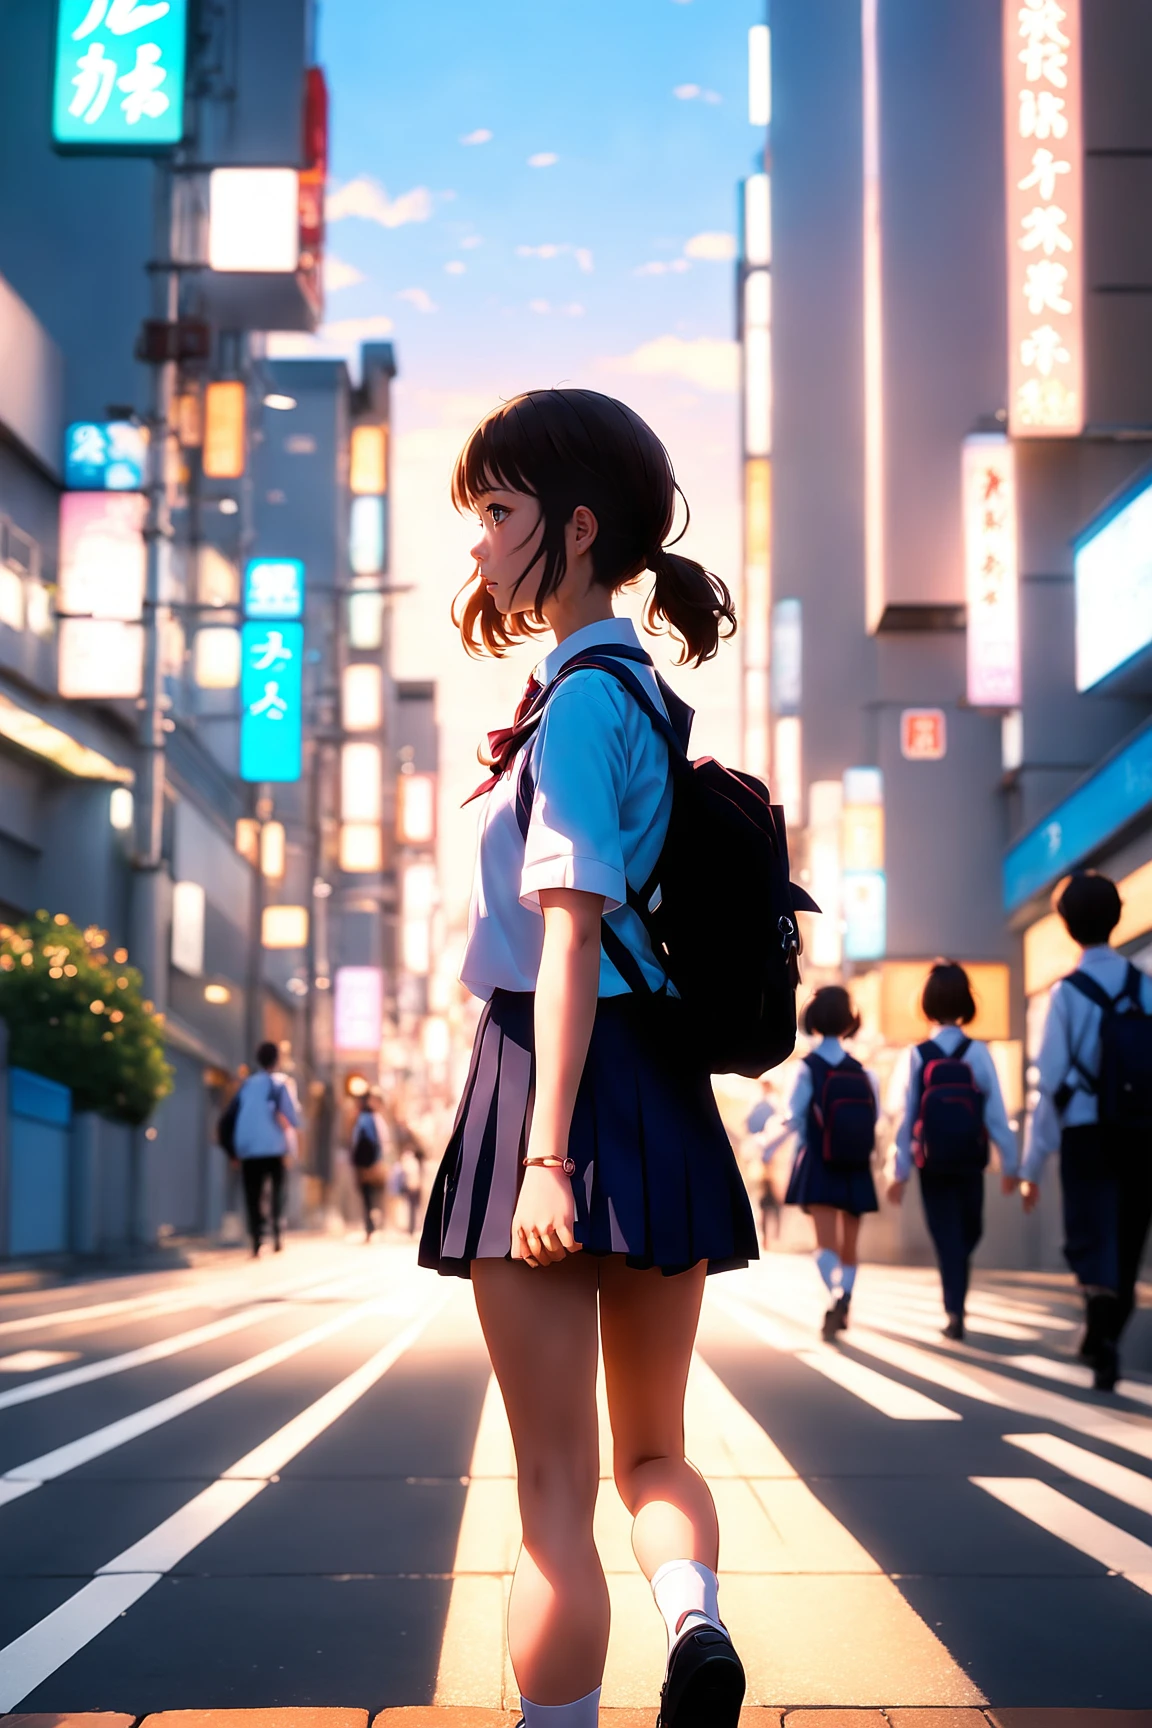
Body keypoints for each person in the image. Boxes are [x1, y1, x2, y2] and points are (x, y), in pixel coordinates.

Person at [418, 389, 757, 1728]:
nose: (483, 543)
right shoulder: (640, 698)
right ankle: (696, 1620)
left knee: (552, 1490)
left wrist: (545, 1159)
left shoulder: (570, 712)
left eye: (498, 512)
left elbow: (567, 939)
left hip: (547, 1094)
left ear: (575, 524)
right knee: (656, 1450)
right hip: (660, 1098)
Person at [1020, 871, 1152, 1391]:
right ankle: (1108, 1336)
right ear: (1118, 917)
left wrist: (1031, 1165)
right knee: (1129, 1236)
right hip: (1142, 1131)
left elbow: (1049, 1081)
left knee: (1088, 1235)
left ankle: (1099, 1328)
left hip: (1085, 1132)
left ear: (1067, 926)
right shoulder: (1146, 985)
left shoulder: (1067, 994)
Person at [888, 961, 1018, 1341]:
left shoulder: (917, 1055)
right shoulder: (977, 1052)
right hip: (969, 1161)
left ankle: (954, 1303)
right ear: (966, 1001)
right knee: (966, 1232)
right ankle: (955, 1310)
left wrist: (899, 1171)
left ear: (926, 1003)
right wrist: (1010, 1163)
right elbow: (997, 1114)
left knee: (951, 1235)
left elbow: (905, 1117)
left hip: (932, 1163)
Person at [783, 986, 879, 1339]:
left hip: (820, 1163)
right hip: (855, 1163)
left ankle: (836, 1295)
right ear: (850, 1022)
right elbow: (876, 1116)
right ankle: (846, 1295)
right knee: (850, 1246)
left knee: (826, 1246)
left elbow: (792, 1117)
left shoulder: (806, 1068)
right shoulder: (864, 1073)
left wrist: (765, 1145)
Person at [231, 1041, 300, 1256]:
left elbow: (237, 1113)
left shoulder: (247, 1084)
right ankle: (277, 1232)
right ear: (276, 1059)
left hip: (249, 1148)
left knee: (253, 1193)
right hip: (275, 1148)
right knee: (278, 1191)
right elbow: (293, 1118)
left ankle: (256, 1238)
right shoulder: (281, 1084)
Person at [744, 1081, 781, 1248]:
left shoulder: (758, 1106)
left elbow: (748, 1126)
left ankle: (768, 1237)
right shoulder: (774, 1107)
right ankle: (773, 1236)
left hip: (763, 1160)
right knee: (771, 1201)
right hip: (773, 1161)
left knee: (764, 1200)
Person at [350, 1089, 390, 1241]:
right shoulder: (373, 1118)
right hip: (372, 1163)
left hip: (367, 1163)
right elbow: (381, 1142)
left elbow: (356, 1141)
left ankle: (371, 1227)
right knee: (373, 1195)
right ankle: (373, 1226)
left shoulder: (365, 1118)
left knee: (368, 1196)